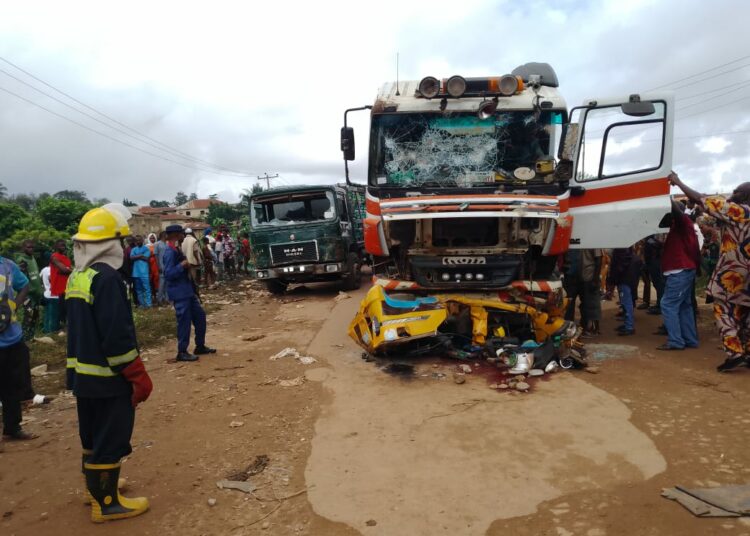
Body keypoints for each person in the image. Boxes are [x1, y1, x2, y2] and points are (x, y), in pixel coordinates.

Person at [66, 203, 153, 522]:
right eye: (122, 242)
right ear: (110, 244)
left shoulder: (80, 275)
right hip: (107, 378)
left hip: (83, 377)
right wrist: (137, 374)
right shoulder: (107, 279)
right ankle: (106, 504)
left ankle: (96, 489)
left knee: (91, 438)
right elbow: (116, 336)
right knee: (111, 437)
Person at [670, 172, 750, 370]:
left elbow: (703, 200)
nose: (732, 193)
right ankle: (747, 352)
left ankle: (734, 352)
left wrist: (678, 182)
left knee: (723, 309)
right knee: (744, 314)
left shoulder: (740, 211)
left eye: (736, 191)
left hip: (735, 272)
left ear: (746, 196)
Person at [163, 225, 216, 362]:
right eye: (181, 233)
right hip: (179, 293)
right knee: (184, 322)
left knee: (200, 317)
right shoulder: (169, 252)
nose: (183, 235)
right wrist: (182, 266)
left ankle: (200, 346)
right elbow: (168, 274)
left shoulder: (176, 248)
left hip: (187, 291)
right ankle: (182, 351)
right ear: (175, 234)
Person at [0, 254, 38, 442]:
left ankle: (12, 427)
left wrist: (15, 305)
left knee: (13, 387)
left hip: (12, 338)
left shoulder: (7, 265)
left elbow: (24, 285)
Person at [657, 195, 700, 351]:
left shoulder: (683, 222)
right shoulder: (679, 227)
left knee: (668, 304)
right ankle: (690, 339)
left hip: (680, 271)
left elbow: (677, 212)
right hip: (683, 270)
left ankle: (675, 341)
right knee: (684, 306)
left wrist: (665, 196)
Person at [563, 249, 602, 337]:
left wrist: (595, 279)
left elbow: (599, 259)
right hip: (571, 276)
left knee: (589, 304)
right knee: (569, 305)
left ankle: (589, 329)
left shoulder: (592, 240)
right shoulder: (571, 238)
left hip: (588, 277)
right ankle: (569, 328)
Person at [608, 247, 641, 336]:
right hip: (629, 277)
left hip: (624, 279)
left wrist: (613, 281)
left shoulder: (620, 252)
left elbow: (617, 268)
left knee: (626, 303)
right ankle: (628, 324)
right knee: (626, 302)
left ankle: (629, 326)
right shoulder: (628, 250)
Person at [15, 239, 43, 339]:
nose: (31, 249)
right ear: (23, 248)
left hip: (36, 295)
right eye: (28, 247)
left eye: (32, 247)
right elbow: (23, 280)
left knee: (34, 317)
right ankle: (24, 339)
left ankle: (31, 338)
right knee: (29, 317)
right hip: (28, 295)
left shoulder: (32, 258)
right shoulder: (22, 260)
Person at [50, 239, 72, 326]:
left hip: (68, 288)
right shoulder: (54, 257)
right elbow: (64, 270)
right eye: (60, 245)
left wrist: (68, 269)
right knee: (61, 311)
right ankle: (60, 328)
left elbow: (67, 270)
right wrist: (69, 270)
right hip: (59, 289)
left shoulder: (66, 258)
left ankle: (66, 328)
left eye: (64, 245)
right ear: (55, 246)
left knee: (67, 310)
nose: (63, 246)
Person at [129, 235, 152, 308]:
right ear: (135, 242)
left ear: (142, 240)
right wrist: (141, 255)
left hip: (144, 272)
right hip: (136, 273)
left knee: (147, 289)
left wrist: (137, 256)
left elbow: (146, 258)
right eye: (137, 240)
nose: (138, 242)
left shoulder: (146, 248)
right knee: (138, 290)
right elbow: (131, 258)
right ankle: (142, 304)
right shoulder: (133, 249)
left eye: (139, 240)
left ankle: (148, 304)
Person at [40, 263, 58, 333]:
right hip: (54, 296)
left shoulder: (44, 269)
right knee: (54, 315)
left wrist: (43, 287)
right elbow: (51, 278)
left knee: (47, 314)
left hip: (46, 294)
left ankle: (46, 330)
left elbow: (39, 278)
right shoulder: (55, 270)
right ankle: (52, 332)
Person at [154, 232, 169, 305]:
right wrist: (158, 266)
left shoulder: (167, 244)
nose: (167, 236)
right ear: (163, 235)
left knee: (167, 283)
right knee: (162, 284)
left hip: (167, 266)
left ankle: (166, 299)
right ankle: (159, 300)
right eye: (166, 235)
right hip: (161, 266)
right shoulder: (157, 244)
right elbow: (156, 256)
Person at [146, 233, 160, 303]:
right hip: (149, 264)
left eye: (153, 238)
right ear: (149, 239)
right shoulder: (146, 246)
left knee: (157, 278)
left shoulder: (158, 245)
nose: (152, 239)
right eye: (151, 238)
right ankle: (153, 296)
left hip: (156, 263)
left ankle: (158, 295)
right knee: (150, 279)